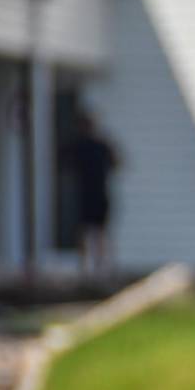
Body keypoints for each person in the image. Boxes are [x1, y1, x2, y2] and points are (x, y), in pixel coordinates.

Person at [71, 112, 119, 279]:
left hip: (96, 194)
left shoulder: (98, 146)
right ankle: (87, 269)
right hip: (88, 194)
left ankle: (99, 268)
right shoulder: (81, 146)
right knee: (88, 232)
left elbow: (116, 163)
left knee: (98, 232)